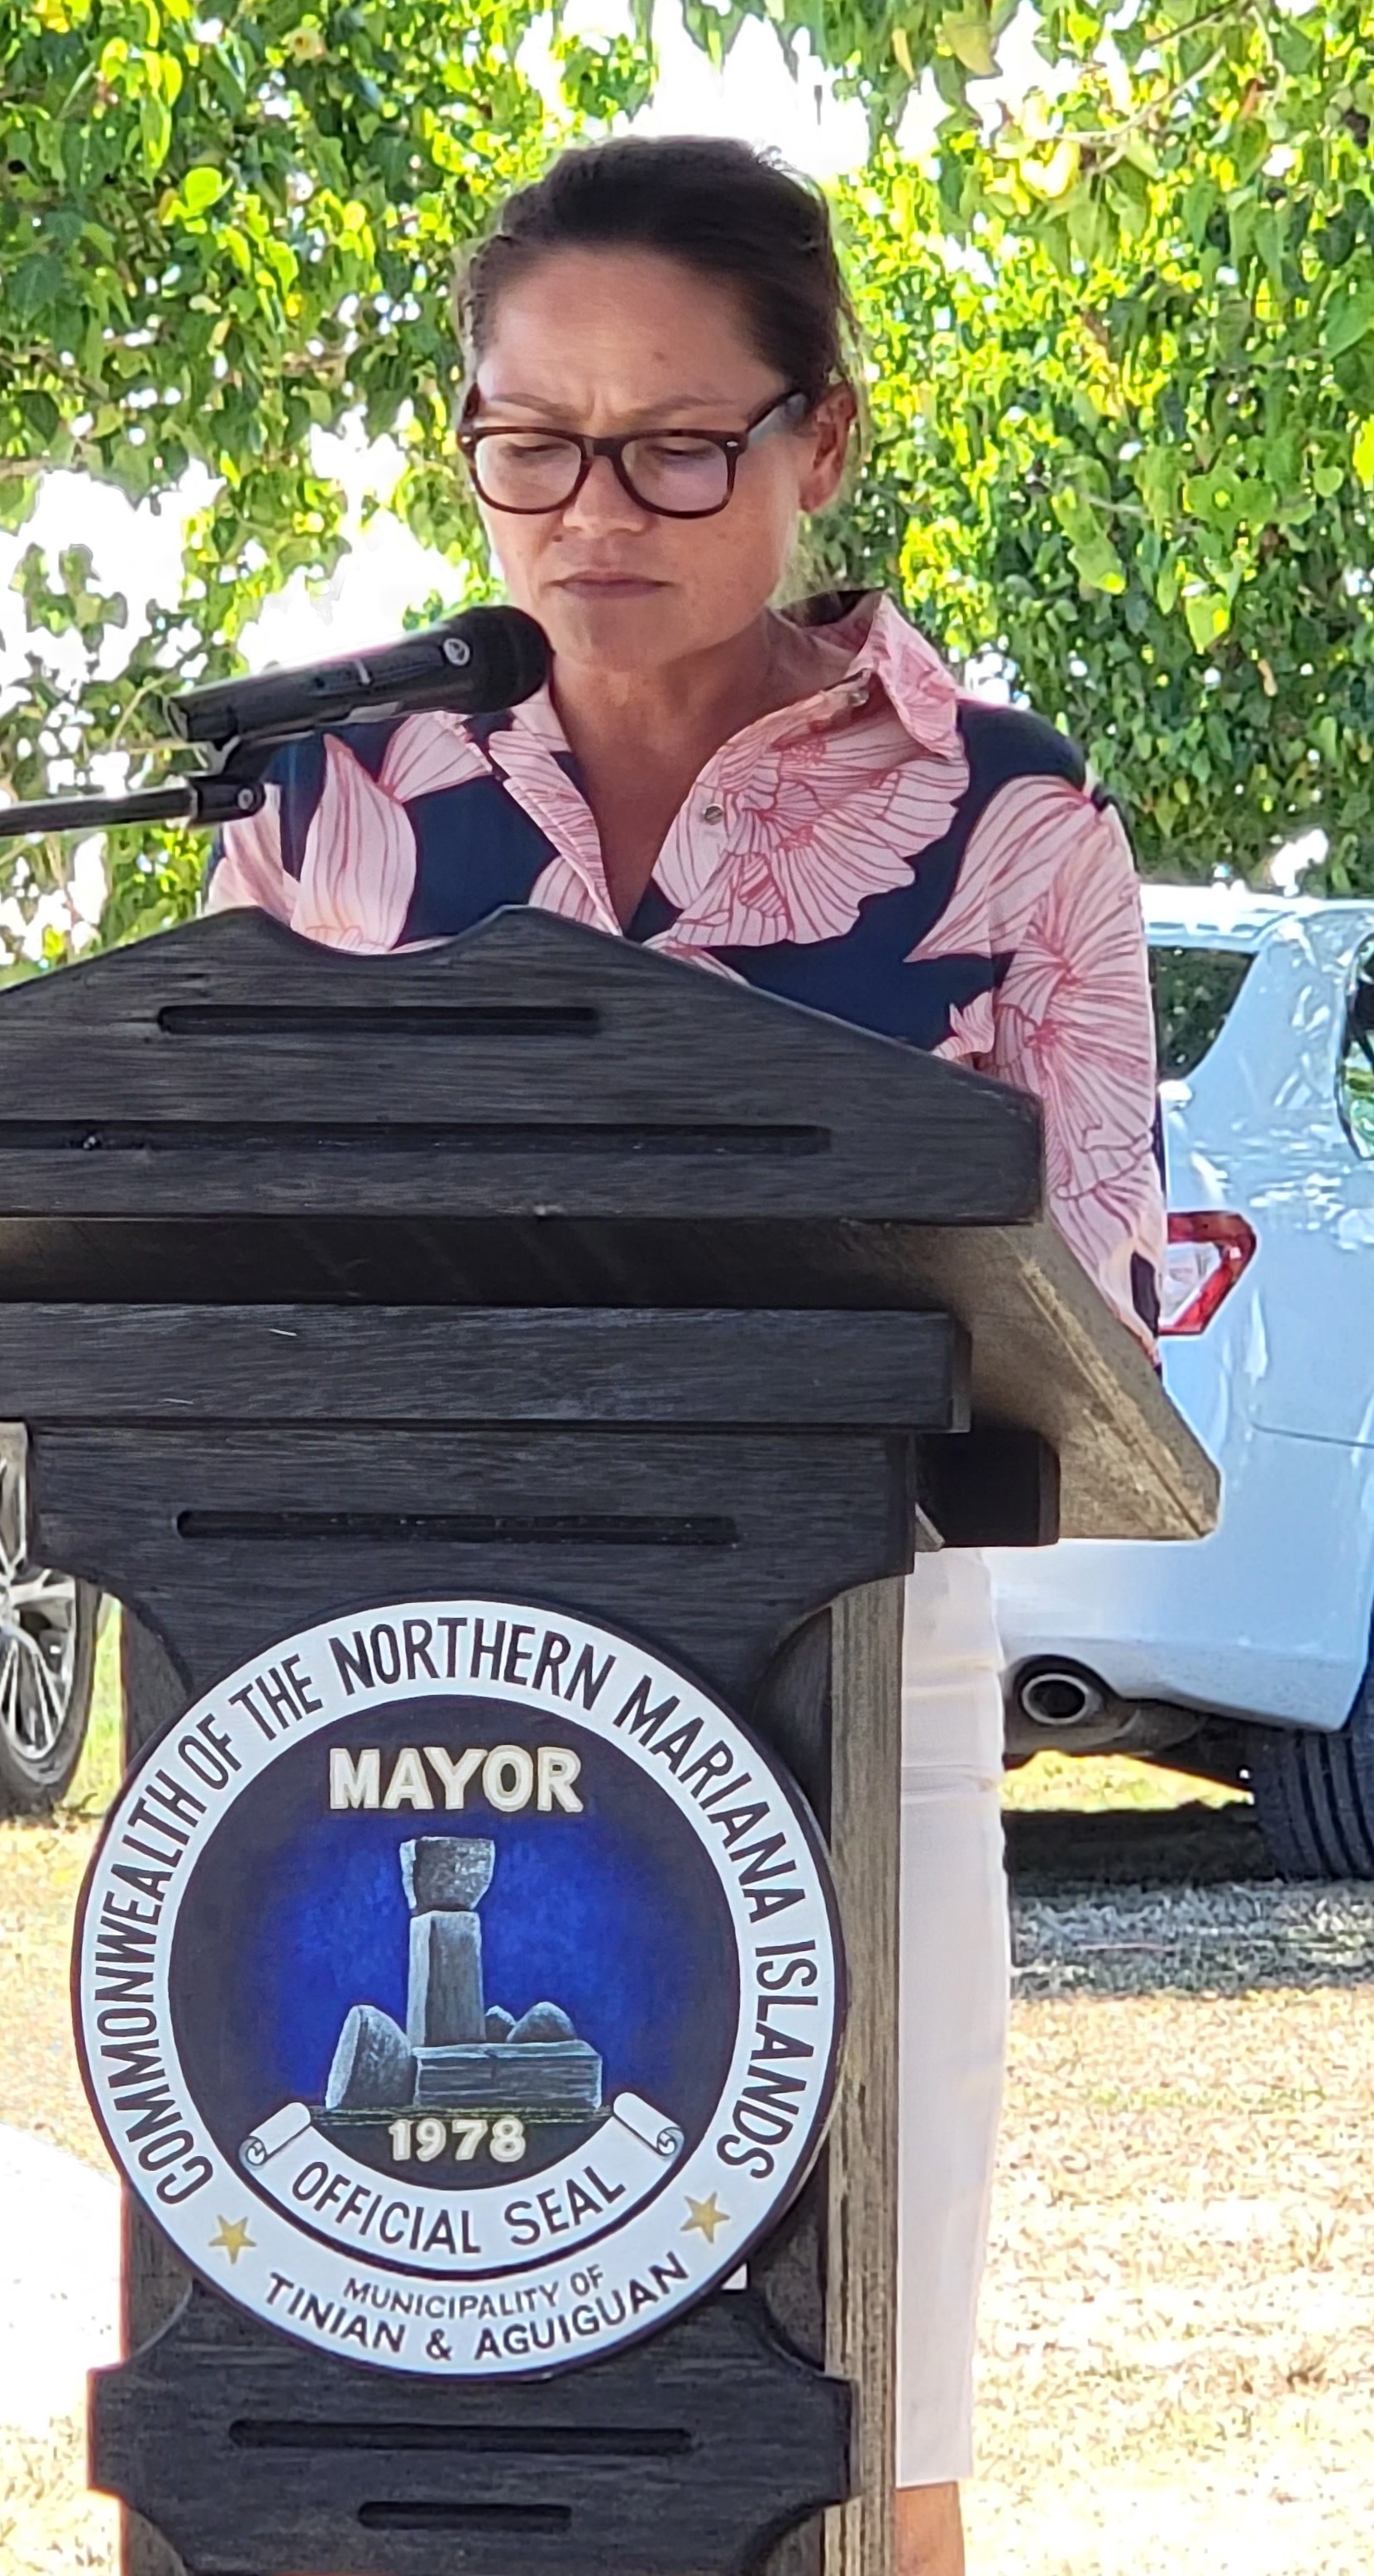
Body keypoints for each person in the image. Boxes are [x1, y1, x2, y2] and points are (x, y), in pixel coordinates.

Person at [208, 133, 1165, 2576]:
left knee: (855, 2422)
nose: (588, 509)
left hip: (847, 1695)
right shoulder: (343, 802)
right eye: (528, 443)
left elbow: (1091, 1329)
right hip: (370, 1690)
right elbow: (203, 1256)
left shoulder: (1011, 823)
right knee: (364, 2399)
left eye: (672, 446)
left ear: (821, 440)